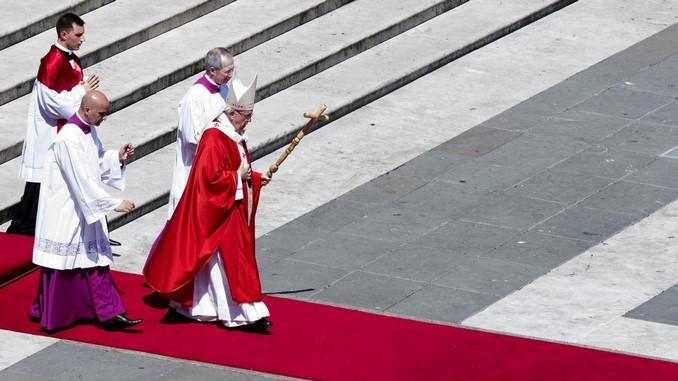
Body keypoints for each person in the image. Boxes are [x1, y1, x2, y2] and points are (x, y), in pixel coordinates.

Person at [144, 74, 273, 332]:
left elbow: (237, 167)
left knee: (217, 265)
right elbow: (208, 179)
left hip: (228, 206)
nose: (248, 123)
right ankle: (239, 314)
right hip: (217, 211)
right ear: (233, 112)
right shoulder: (214, 137)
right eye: (246, 117)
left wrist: (256, 178)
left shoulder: (233, 134)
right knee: (229, 262)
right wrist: (239, 177)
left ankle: (197, 307)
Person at [30, 90, 142, 332]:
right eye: (102, 113)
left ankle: (109, 313)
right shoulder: (68, 137)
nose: (105, 117)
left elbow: (95, 163)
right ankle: (57, 314)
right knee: (67, 262)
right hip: (66, 209)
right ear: (86, 110)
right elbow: (80, 179)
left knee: (94, 258)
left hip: (82, 206)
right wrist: (113, 203)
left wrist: (117, 158)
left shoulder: (89, 130)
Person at [8, 13, 100, 235]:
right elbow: (53, 104)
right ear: (64, 34)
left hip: (66, 131)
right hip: (49, 133)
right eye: (78, 35)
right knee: (38, 187)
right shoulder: (51, 64)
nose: (82, 39)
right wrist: (83, 91)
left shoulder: (72, 58)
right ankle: (21, 231)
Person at [167, 47, 235, 219]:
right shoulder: (195, 97)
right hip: (196, 165)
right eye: (228, 71)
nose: (231, 75)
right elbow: (192, 139)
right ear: (212, 70)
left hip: (216, 165)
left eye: (233, 70)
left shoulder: (224, 89)